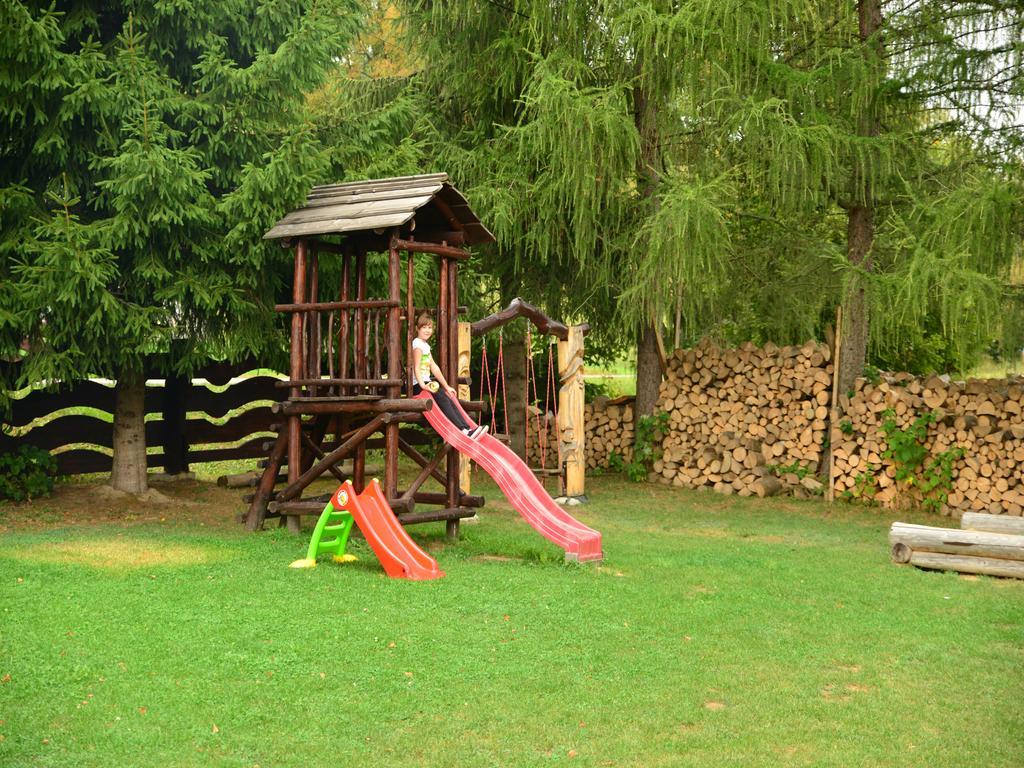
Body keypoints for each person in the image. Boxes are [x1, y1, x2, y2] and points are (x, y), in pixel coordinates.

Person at [411, 313, 487, 439]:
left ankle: (468, 428)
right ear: (417, 329)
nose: (427, 330)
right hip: (418, 386)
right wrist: (423, 385)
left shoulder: (425, 345)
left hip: (426, 383)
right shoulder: (417, 344)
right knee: (444, 400)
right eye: (424, 327)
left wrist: (447, 386)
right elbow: (416, 367)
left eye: (429, 327)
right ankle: (463, 430)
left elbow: (434, 367)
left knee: (448, 398)